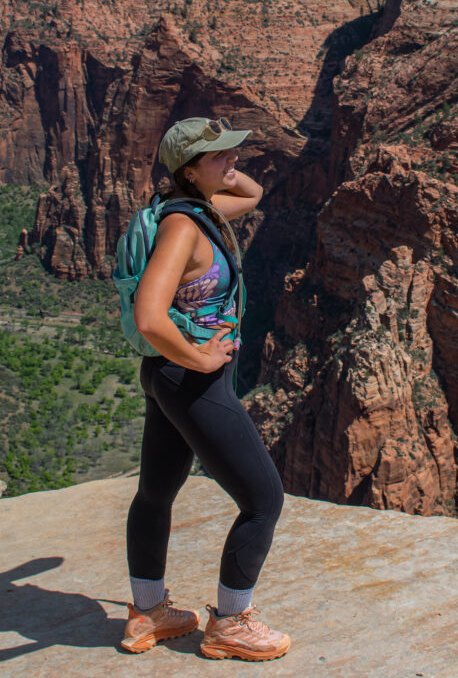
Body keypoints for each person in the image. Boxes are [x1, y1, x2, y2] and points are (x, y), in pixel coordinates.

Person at [121, 116, 290, 662]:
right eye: (220, 156)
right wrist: (199, 356)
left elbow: (255, 193)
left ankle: (149, 612)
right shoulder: (183, 227)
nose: (234, 161)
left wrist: (215, 171)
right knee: (263, 499)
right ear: (190, 168)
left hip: (166, 377)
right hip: (189, 378)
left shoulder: (202, 211)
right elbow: (149, 317)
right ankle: (232, 622)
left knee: (156, 494)